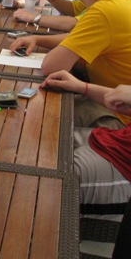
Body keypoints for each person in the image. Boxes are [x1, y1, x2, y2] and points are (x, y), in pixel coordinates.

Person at [10, 0, 131, 128]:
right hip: (110, 100)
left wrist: (37, 34)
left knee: (34, 116)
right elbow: (76, 39)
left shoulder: (103, 13)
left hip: (118, 117)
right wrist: (38, 39)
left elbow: (51, 66)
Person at [42, 70, 131, 218]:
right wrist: (82, 87)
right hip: (114, 141)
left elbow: (49, 66)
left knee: (42, 183)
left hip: (123, 164)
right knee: (42, 139)